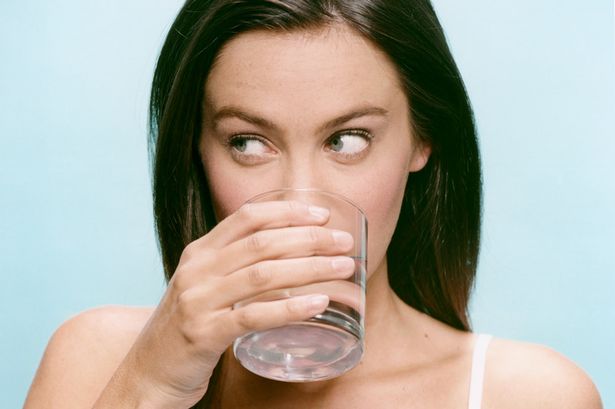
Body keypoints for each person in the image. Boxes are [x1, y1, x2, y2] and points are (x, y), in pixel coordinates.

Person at [24, 1, 602, 408]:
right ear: (195, 152)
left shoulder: (527, 396)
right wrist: (149, 390)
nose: (303, 203)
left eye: (347, 140)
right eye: (248, 143)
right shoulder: (100, 362)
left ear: (422, 139)